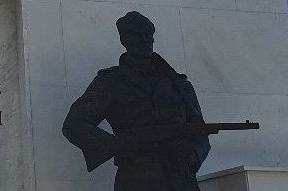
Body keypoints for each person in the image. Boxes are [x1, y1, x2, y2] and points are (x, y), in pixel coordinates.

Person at [62, 11, 210, 191]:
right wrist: (117, 144)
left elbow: (200, 131)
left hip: (181, 178)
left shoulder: (178, 84)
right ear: (124, 41)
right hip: (137, 178)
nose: (144, 40)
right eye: (136, 35)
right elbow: (74, 124)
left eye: (147, 35)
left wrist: (193, 154)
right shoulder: (110, 82)